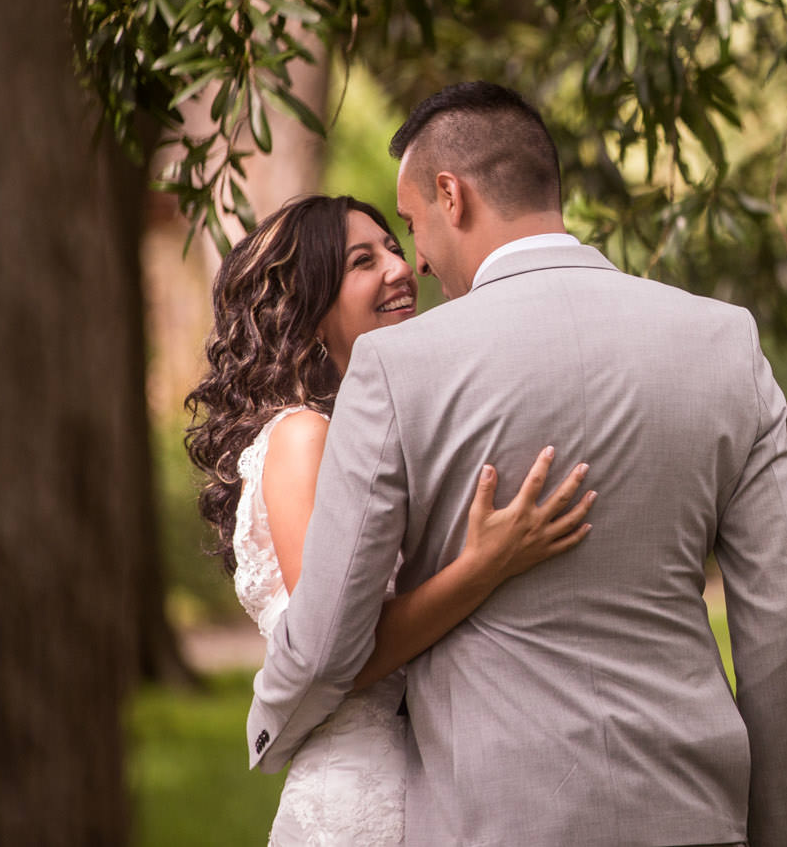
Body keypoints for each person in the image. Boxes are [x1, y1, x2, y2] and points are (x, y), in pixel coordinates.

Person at [247, 81, 787, 847]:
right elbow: (779, 632)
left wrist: (268, 722)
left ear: (452, 195)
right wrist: (770, 828)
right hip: (693, 812)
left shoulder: (398, 368)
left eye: (411, 226)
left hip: (495, 821)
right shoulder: (726, 342)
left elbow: (324, 641)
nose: (416, 261)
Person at [187, 194, 596, 846]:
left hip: (436, 785)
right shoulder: (302, 438)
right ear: (311, 308)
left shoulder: (367, 431)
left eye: (393, 247)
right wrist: (485, 563)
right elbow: (340, 649)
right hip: (363, 799)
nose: (400, 268)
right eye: (362, 260)